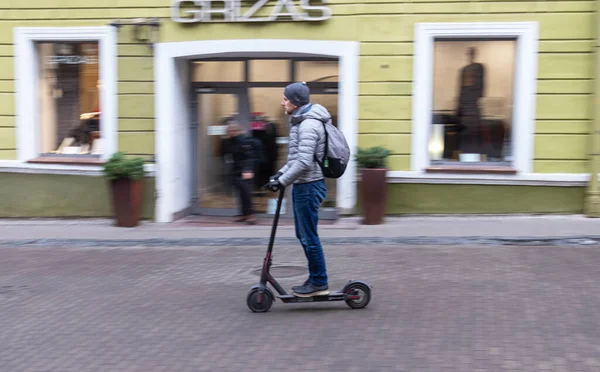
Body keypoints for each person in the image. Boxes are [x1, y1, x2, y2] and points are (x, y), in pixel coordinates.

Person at [264, 82, 330, 298]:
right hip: (304, 185)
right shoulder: (300, 122)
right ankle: (315, 278)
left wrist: (282, 182)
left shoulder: (309, 125)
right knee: (303, 235)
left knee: (309, 237)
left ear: (295, 101)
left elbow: (303, 163)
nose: (282, 102)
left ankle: (319, 281)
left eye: (285, 98)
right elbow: (294, 160)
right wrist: (278, 175)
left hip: (309, 186)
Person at [223, 119, 258, 225]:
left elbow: (250, 157)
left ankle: (251, 214)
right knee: (241, 194)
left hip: (245, 171)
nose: (230, 132)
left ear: (236, 130)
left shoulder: (244, 141)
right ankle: (244, 214)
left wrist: (247, 169)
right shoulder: (230, 141)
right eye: (229, 130)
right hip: (236, 170)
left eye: (232, 130)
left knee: (246, 193)